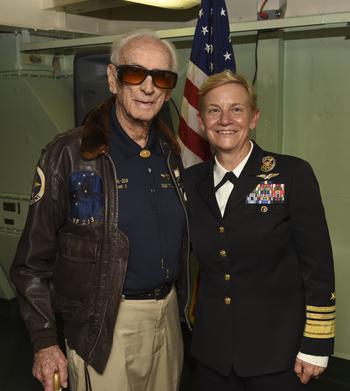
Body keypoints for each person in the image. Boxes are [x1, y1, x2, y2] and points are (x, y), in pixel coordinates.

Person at [10, 31, 190, 391]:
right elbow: (31, 263)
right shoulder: (69, 154)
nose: (148, 88)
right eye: (135, 74)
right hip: (105, 325)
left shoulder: (171, 153)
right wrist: (45, 342)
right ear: (112, 78)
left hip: (167, 318)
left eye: (162, 77)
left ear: (170, 89)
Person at [183, 70, 335, 391]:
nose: (225, 119)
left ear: (253, 118)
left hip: (278, 356)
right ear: (201, 120)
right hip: (212, 357)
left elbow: (318, 266)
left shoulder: (291, 175)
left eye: (237, 109)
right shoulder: (190, 182)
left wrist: (316, 345)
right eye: (214, 110)